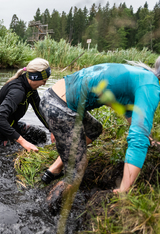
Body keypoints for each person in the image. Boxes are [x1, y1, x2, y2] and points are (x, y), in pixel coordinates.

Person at [38, 58, 160, 202]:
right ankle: (47, 209)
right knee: (76, 174)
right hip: (60, 107)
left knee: (94, 129)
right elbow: (138, 139)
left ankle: (55, 168)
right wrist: (124, 189)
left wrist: (150, 139)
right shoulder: (150, 86)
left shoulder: (141, 76)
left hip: (54, 98)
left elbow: (129, 111)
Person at [0, 58, 53, 151]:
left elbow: (39, 109)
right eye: (44, 81)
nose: (44, 84)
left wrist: (52, 130)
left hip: (12, 125)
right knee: (13, 155)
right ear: (35, 77)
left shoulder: (30, 87)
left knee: (40, 135)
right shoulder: (17, 92)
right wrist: (24, 142)